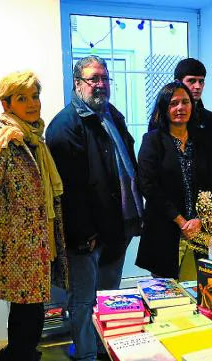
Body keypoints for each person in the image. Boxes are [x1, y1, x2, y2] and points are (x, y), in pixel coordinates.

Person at [0, 71, 67, 361]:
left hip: (37, 244)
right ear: (6, 105)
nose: (33, 104)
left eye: (35, 96)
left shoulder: (33, 139)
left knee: (31, 313)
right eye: (22, 98)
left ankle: (20, 356)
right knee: (26, 315)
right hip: (15, 247)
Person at [46, 56, 142, 361]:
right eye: (93, 79)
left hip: (116, 227)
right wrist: (83, 233)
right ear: (77, 84)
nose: (100, 85)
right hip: (87, 237)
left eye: (104, 78)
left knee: (108, 298)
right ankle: (87, 355)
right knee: (84, 302)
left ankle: (104, 351)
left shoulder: (111, 115)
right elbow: (68, 191)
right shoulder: (65, 126)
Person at [136, 82, 212, 279]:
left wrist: (201, 220)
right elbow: (148, 186)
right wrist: (182, 222)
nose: (180, 108)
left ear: (193, 106)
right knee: (167, 296)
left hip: (202, 229)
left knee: (201, 291)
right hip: (165, 229)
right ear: (164, 108)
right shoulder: (152, 140)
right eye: (173, 103)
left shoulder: (203, 141)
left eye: (185, 102)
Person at [173, 58, 212, 201]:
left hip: (207, 201)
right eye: (191, 81)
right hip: (175, 201)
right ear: (178, 82)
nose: (197, 86)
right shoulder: (162, 118)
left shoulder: (211, 120)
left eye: (201, 81)